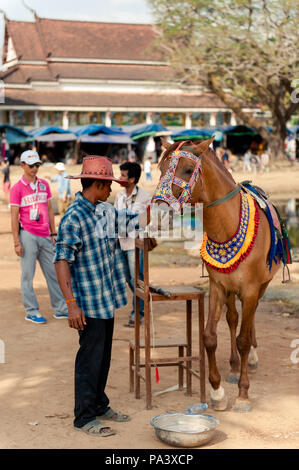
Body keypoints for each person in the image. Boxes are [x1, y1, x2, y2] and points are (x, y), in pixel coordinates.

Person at [54, 156, 143, 436]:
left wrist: (166, 203)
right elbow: (61, 261)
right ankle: (84, 416)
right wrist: (71, 305)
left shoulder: (104, 211)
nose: (112, 191)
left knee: (103, 357)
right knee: (89, 359)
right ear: (98, 183)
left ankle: (99, 403)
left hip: (105, 300)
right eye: (109, 186)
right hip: (87, 305)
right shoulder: (73, 217)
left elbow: (134, 220)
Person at [9, 150, 68, 324]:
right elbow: (14, 216)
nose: (35, 168)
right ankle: (31, 310)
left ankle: (60, 308)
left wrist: (53, 232)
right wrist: (16, 242)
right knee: (28, 276)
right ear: (22, 166)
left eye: (37, 165)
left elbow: (50, 209)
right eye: (31, 165)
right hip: (27, 234)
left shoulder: (44, 185)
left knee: (53, 273)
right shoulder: (17, 188)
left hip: (45, 235)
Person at [114, 161, 151, 327]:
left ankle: (138, 312)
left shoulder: (145, 197)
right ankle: (142, 305)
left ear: (132, 179)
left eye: (123, 175)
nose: (120, 178)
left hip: (136, 245)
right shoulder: (119, 196)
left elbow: (149, 221)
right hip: (121, 243)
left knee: (138, 278)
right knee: (129, 278)